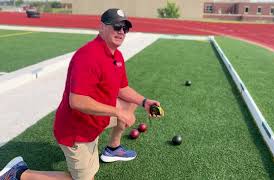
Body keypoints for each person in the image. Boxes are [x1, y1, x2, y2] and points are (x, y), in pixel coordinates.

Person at [0, 8, 161, 180]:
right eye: (116, 26)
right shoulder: (88, 56)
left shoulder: (117, 56)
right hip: (76, 131)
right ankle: (18, 174)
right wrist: (118, 112)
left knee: (130, 102)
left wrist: (145, 102)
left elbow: (122, 88)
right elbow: (76, 101)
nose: (121, 31)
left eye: (125, 28)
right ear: (101, 27)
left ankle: (113, 149)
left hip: (96, 119)